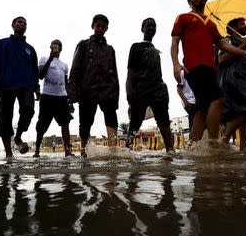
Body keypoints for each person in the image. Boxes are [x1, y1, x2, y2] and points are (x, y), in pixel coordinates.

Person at [170, 0, 246, 146]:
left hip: (210, 68)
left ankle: (193, 146)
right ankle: (213, 144)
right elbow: (175, 42)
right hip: (195, 67)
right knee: (218, 100)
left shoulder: (211, 24)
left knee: (201, 109)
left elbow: (224, 45)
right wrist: (176, 64)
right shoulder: (183, 18)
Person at [0, 17, 40, 158]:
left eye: (25, 23)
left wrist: (37, 88)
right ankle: (9, 153)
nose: (22, 24)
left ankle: (18, 137)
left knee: (28, 110)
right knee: (6, 117)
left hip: (26, 86)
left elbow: (35, 71)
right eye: (19, 22)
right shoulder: (2, 43)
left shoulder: (30, 49)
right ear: (13, 25)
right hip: (6, 85)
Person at [68, 14, 119, 158]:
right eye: (98, 26)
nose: (100, 28)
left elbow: (114, 72)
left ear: (107, 29)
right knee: (85, 123)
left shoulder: (110, 50)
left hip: (108, 90)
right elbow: (75, 70)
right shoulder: (83, 45)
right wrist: (72, 95)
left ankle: (113, 152)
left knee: (111, 119)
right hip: (87, 90)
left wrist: (116, 94)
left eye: (103, 26)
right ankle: (83, 152)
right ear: (93, 26)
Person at [125, 18, 174, 153]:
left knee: (163, 120)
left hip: (158, 90)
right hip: (141, 90)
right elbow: (131, 71)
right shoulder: (136, 47)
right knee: (135, 122)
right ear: (142, 29)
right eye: (148, 26)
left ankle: (170, 150)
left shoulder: (155, 49)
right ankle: (127, 150)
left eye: (154, 26)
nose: (151, 28)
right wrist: (129, 91)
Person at [217, 18, 246, 150]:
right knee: (244, 112)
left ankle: (243, 150)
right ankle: (225, 138)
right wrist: (242, 45)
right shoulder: (227, 40)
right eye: (242, 24)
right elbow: (222, 59)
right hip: (234, 80)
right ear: (233, 28)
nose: (245, 25)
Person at [33, 39, 74, 157]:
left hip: (62, 97)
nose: (56, 48)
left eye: (58, 46)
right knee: (42, 125)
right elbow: (40, 76)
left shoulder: (64, 65)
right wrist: (50, 58)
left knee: (65, 123)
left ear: (61, 48)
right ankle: (36, 151)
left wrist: (70, 100)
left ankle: (68, 151)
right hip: (47, 96)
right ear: (50, 47)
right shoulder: (44, 59)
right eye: (54, 46)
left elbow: (66, 84)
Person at [177, 70, 196, 137]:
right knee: (194, 120)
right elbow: (178, 89)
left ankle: (195, 141)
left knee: (199, 121)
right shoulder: (183, 73)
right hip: (189, 101)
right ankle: (191, 141)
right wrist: (185, 101)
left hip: (197, 101)